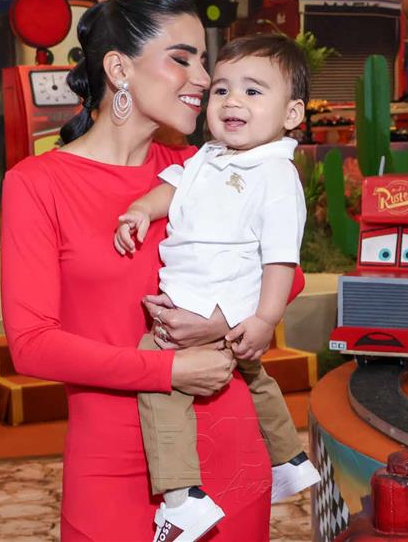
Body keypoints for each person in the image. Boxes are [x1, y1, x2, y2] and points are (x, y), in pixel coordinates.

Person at [1, 0, 286, 541]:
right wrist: (167, 371)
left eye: (203, 60)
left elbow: (284, 267)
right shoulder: (37, 184)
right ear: (119, 69)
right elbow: (32, 344)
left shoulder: (203, 168)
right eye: (182, 59)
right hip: (112, 468)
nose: (203, 78)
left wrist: (219, 319)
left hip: (226, 450)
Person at [114, 34, 320, 541]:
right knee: (254, 376)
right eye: (222, 89)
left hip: (218, 302)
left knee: (159, 377)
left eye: (253, 91)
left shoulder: (275, 175)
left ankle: (182, 497)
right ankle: (290, 461)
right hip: (207, 298)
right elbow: (173, 187)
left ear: (292, 113)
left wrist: (265, 319)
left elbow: (280, 259)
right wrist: (141, 208)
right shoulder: (209, 156)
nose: (232, 101)